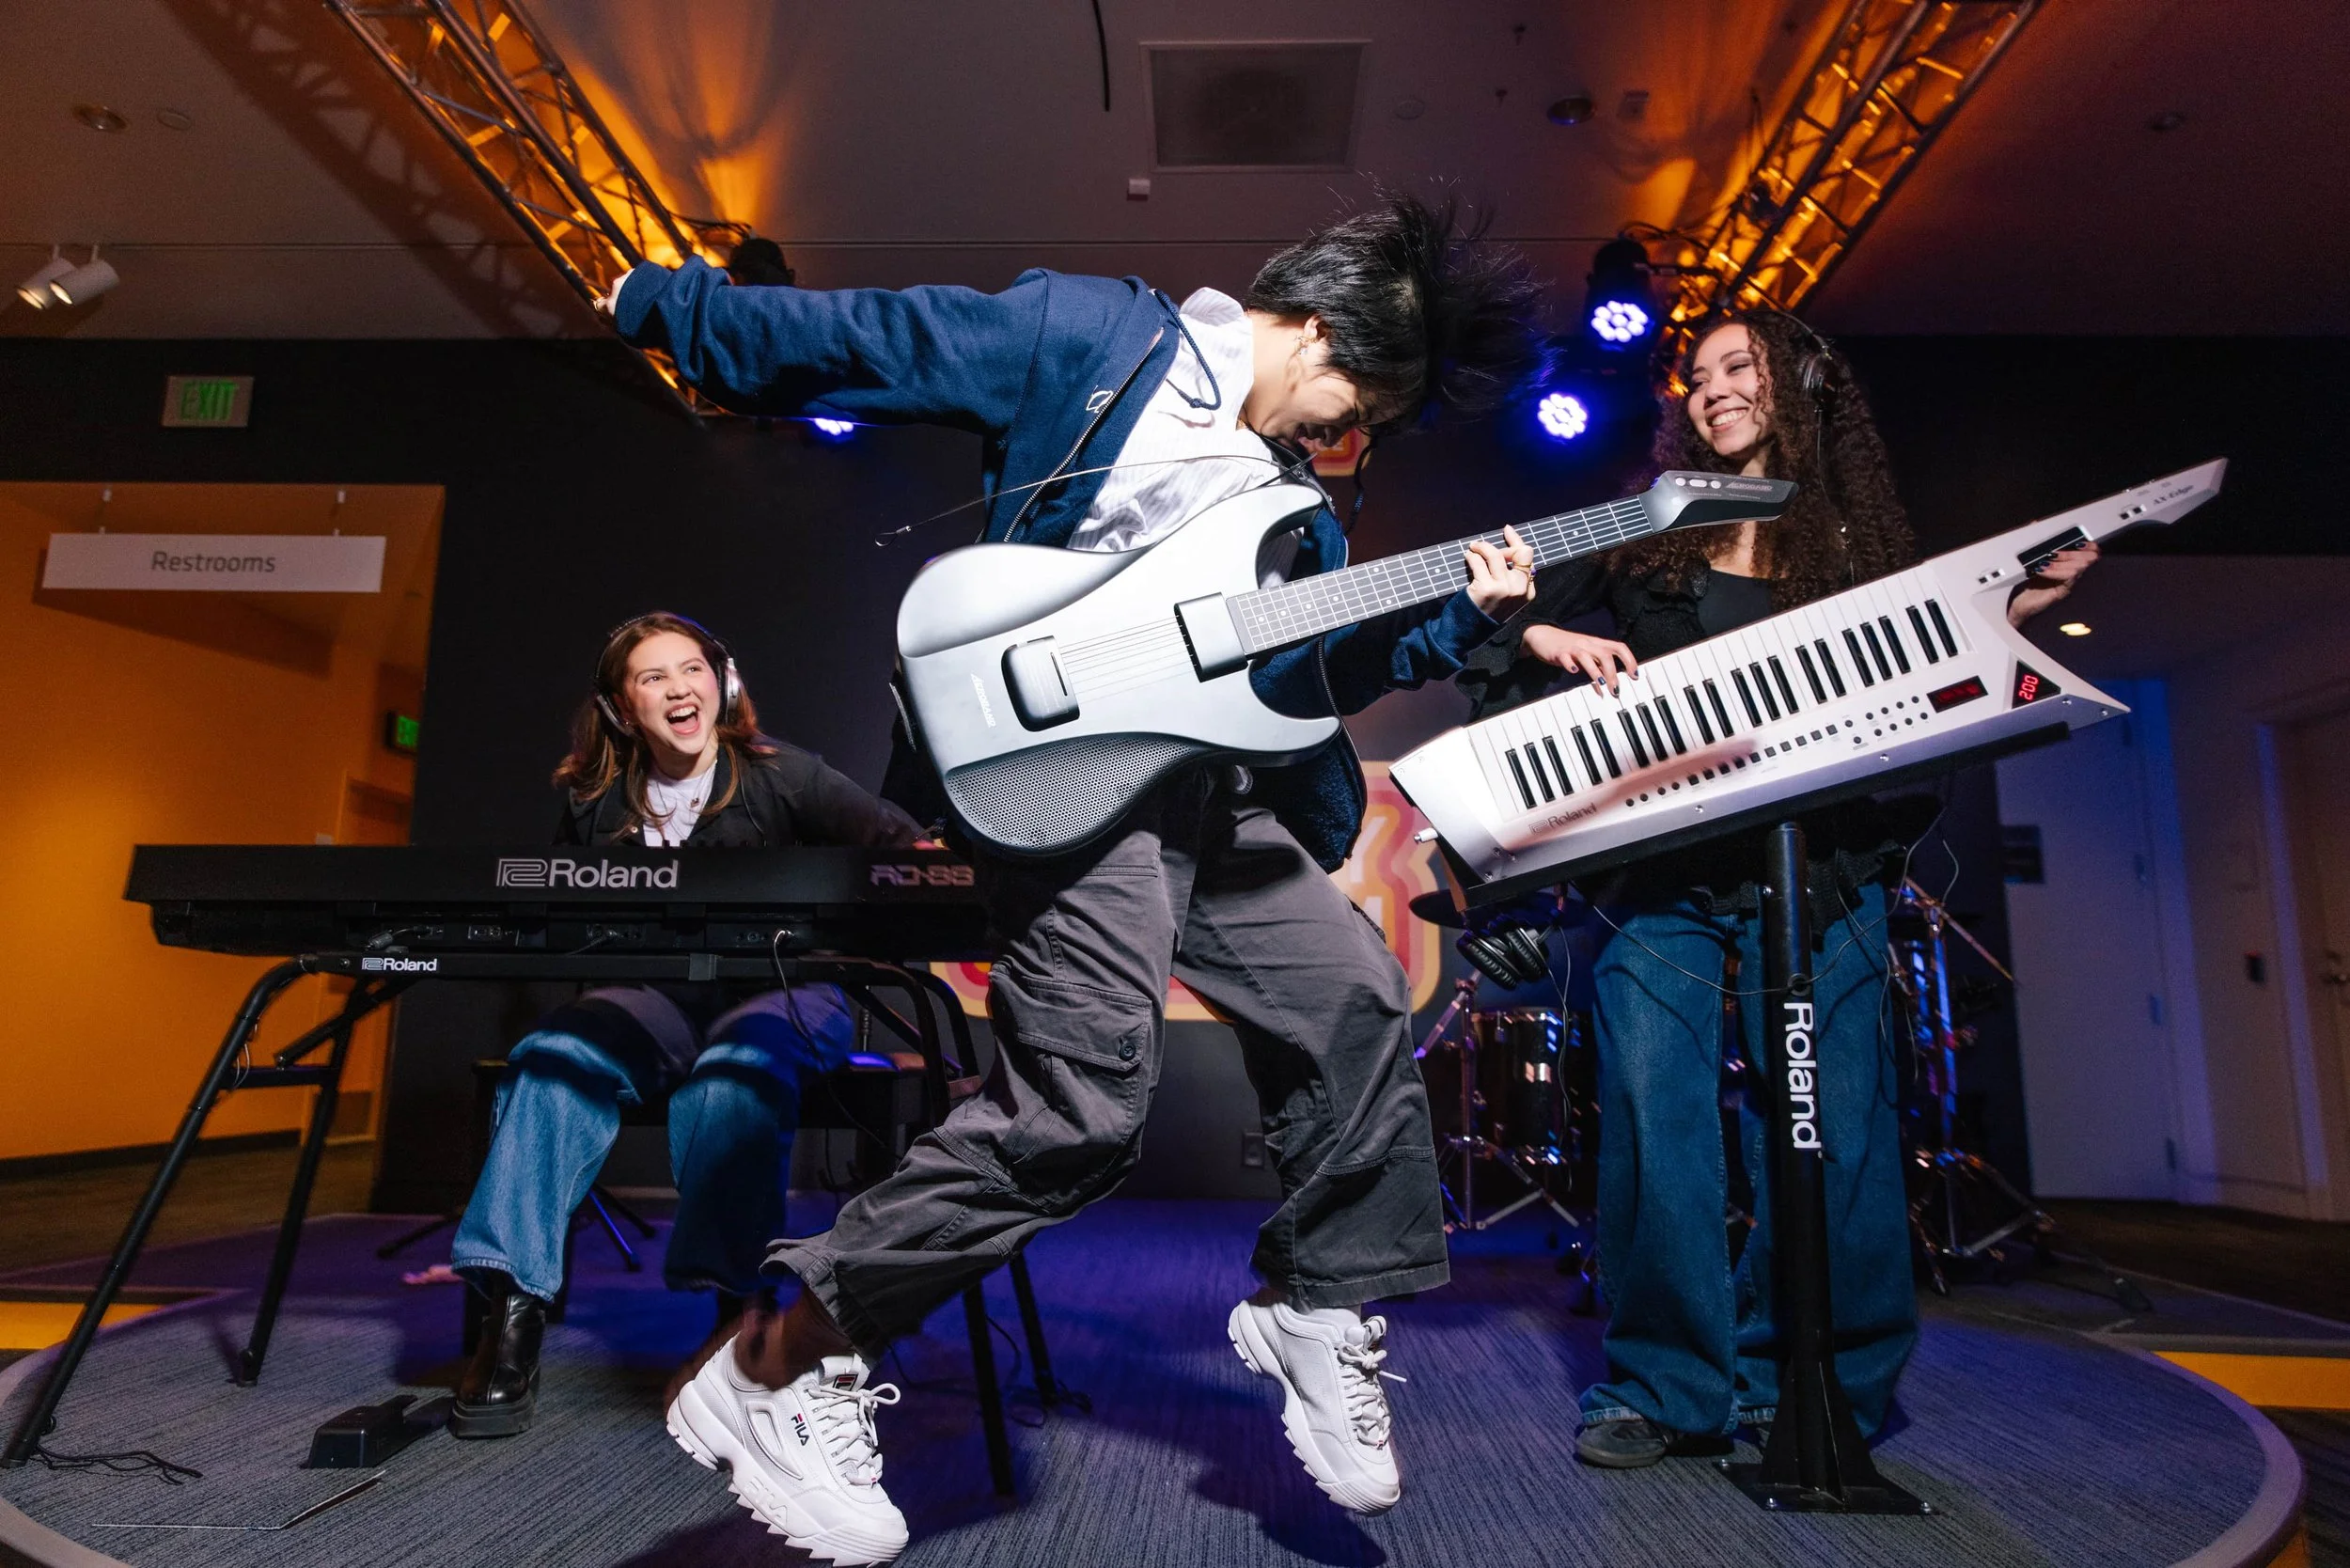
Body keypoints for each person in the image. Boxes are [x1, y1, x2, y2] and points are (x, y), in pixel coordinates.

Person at [601, 194, 1545, 1562]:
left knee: (1352, 993)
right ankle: (778, 1361)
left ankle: (1319, 1306)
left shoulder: (1296, 507)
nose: (1345, 442)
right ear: (1322, 332)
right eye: (1355, 405)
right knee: (1085, 1109)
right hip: (1055, 777)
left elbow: (1298, 688)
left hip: (1200, 787)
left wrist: (1451, 626)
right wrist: (673, 308)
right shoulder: (1102, 338)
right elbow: (883, 337)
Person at [1456, 309, 2097, 1469]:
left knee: (1838, 1133)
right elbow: (1510, 671)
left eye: (1736, 367)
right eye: (1694, 379)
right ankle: (1664, 1388)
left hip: (1827, 875)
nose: (1711, 391)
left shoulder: (1857, 549)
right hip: (1662, 887)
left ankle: (1812, 1381)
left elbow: (1934, 674)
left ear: (1801, 385)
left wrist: (2025, 610)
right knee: (1657, 1127)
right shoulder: (1644, 547)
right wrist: (1534, 629)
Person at [447, 613, 921, 1438]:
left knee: (731, 1077)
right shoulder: (596, 802)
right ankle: (514, 1311)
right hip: (658, 995)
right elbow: (565, 913)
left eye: (692, 669)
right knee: (552, 1059)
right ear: (622, 707)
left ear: (722, 682)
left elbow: (905, 852)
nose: (679, 688)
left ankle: (734, 1314)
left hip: (784, 989)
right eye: (653, 677)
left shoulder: (785, 775)